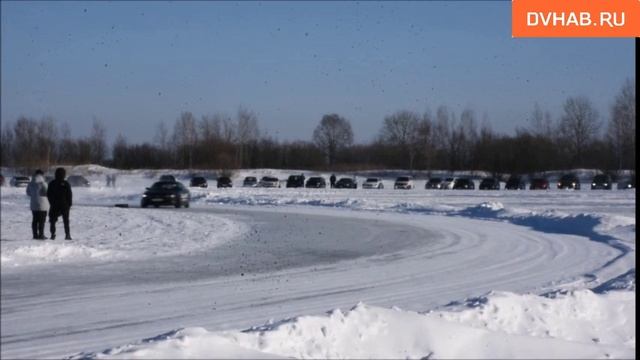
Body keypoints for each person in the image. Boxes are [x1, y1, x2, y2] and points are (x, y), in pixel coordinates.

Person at [47, 167, 73, 240]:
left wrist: (51, 203)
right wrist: (69, 204)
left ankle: (52, 235)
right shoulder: (66, 183)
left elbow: (48, 194)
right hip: (64, 205)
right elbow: (69, 195)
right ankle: (67, 235)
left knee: (52, 220)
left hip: (54, 205)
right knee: (66, 221)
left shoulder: (52, 183)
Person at [26, 170, 50, 240]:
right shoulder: (43, 183)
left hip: (33, 204)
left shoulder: (30, 183)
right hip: (43, 205)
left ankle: (35, 235)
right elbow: (47, 192)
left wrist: (34, 195)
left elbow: (28, 193)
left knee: (35, 220)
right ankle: (41, 234)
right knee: (42, 220)